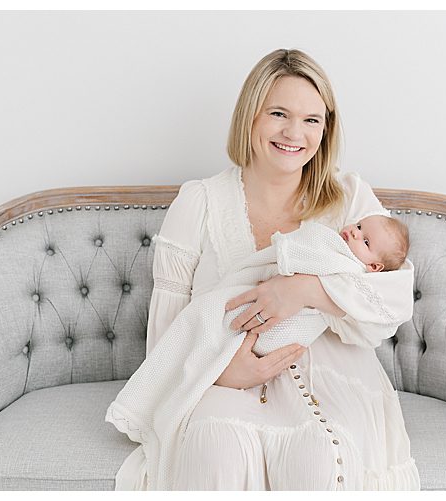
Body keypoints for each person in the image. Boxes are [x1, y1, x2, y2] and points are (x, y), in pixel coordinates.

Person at [112, 49, 419, 490]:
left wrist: (304, 291)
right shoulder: (198, 203)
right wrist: (222, 373)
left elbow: (392, 303)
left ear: (326, 128)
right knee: (216, 446)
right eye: (279, 113)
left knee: (320, 458)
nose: (294, 133)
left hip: (331, 382)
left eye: (311, 119)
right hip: (220, 380)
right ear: (250, 115)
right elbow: (167, 333)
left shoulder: (351, 200)